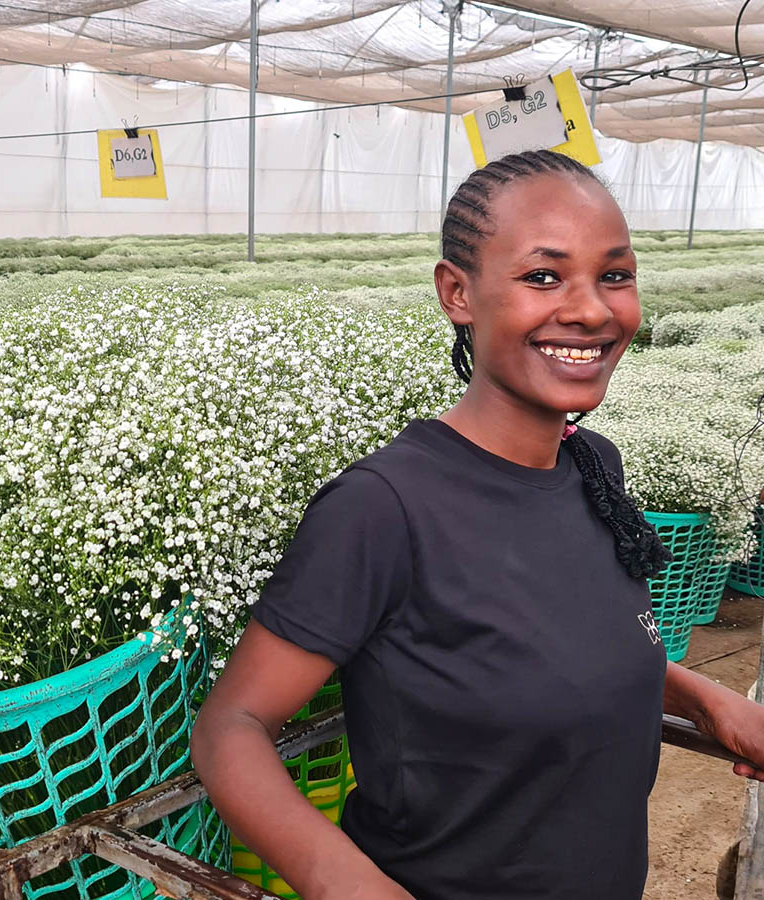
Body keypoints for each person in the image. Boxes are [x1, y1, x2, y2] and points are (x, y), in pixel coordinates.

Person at [190, 148, 764, 900]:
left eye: (614, 275)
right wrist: (342, 881)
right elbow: (230, 725)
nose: (592, 309)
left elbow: (566, 651)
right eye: (543, 276)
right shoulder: (384, 508)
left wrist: (706, 699)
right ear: (457, 293)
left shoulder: (594, 464)